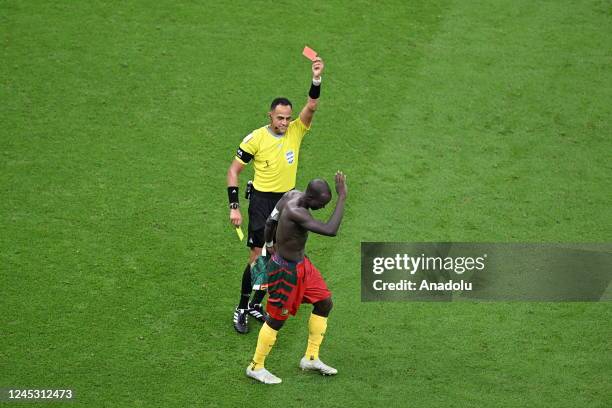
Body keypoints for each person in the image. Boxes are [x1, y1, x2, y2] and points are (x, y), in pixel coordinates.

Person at [227, 56, 325, 334]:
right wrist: (234, 207)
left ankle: (258, 304)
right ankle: (242, 307)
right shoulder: (255, 138)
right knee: (257, 257)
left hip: (287, 202)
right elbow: (233, 171)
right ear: (270, 116)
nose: (284, 122)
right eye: (280, 118)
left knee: (276, 258)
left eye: (288, 118)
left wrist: (316, 77)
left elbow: (313, 105)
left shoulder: (296, 130)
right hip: (261, 202)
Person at [245, 172, 347, 384]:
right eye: (322, 203)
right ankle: (256, 366)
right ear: (311, 198)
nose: (323, 207)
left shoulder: (290, 195)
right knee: (276, 320)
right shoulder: (297, 211)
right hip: (284, 273)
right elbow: (330, 230)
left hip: (302, 266)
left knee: (324, 302)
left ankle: (310, 357)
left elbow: (270, 220)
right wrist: (342, 197)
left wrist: (270, 244)